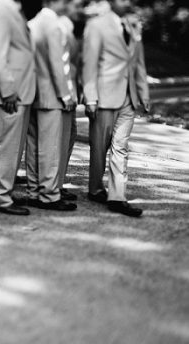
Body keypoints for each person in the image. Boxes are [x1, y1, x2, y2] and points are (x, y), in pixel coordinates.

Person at [83, 0, 149, 217]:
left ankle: (117, 197)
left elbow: (138, 63)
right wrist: (90, 97)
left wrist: (143, 94)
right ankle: (95, 189)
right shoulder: (97, 25)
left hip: (129, 98)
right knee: (99, 147)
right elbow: (90, 64)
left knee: (121, 147)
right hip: (104, 97)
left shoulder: (133, 25)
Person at [0, 0, 36, 216]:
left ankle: (3, 192)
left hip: (18, 91)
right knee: (4, 146)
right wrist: (8, 89)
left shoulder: (8, 8)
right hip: (8, 94)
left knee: (12, 147)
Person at [24, 0, 78, 211]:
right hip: (52, 95)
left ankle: (33, 191)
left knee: (33, 145)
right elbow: (58, 63)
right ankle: (49, 195)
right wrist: (66, 94)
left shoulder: (33, 22)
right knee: (50, 147)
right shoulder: (54, 24)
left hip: (33, 92)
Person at [58, 0, 85, 200]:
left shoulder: (69, 27)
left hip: (70, 92)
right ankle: (52, 185)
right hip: (62, 95)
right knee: (61, 140)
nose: (79, 9)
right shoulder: (61, 27)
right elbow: (61, 65)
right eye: (76, 5)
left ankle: (56, 182)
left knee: (69, 137)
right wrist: (66, 94)